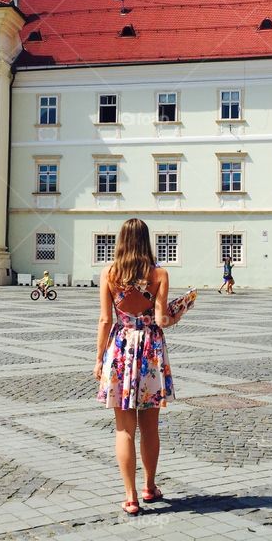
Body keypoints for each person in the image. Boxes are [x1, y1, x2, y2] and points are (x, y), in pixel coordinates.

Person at [95, 218, 184, 516]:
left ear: (121, 241)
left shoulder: (109, 274)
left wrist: (99, 359)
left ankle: (130, 497)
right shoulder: (159, 274)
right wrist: (178, 315)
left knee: (124, 430)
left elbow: (106, 320)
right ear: (146, 241)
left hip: (120, 348)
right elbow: (161, 320)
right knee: (150, 428)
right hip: (150, 351)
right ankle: (150, 486)